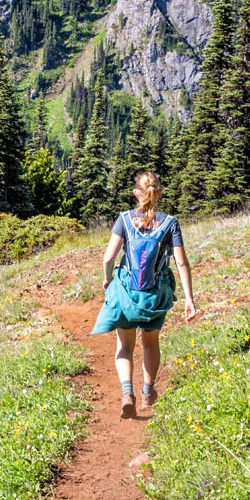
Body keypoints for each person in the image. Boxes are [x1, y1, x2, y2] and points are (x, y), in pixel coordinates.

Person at [90, 171, 197, 419]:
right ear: (159, 193)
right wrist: (189, 299)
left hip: (127, 293)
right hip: (154, 296)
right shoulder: (170, 223)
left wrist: (108, 280)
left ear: (136, 193)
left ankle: (127, 393)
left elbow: (108, 258)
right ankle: (148, 393)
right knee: (150, 343)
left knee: (124, 346)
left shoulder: (124, 219)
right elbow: (181, 263)